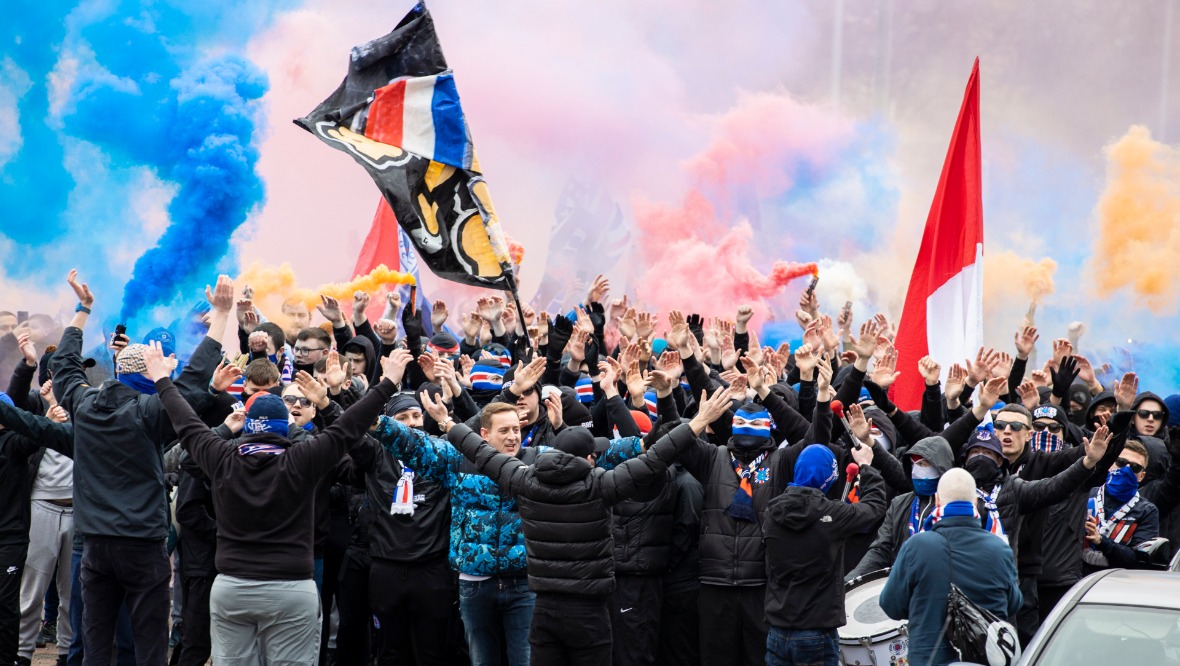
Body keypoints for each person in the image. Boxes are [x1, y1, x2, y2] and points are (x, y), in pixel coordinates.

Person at [425, 385, 736, 665]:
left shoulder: (524, 480)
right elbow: (654, 460)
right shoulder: (602, 485)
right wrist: (695, 424)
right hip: (589, 610)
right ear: (591, 457)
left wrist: (448, 423)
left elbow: (479, 451)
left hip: (543, 607)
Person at [146, 337, 406, 665]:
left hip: (232, 588)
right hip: (291, 588)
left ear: (247, 425)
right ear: (285, 428)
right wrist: (387, 384)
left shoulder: (222, 456)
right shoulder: (302, 457)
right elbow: (348, 428)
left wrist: (162, 380)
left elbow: (187, 424)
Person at [50, 270, 227, 666]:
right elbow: (194, 383)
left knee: (96, 644)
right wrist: (221, 316)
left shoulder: (82, 404)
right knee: (149, 644)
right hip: (142, 546)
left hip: (94, 545)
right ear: (149, 377)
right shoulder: (150, 411)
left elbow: (63, 365)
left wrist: (83, 310)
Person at [880, 468, 1023, 666]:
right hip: (986, 659)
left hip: (930, 660)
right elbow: (1014, 604)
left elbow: (891, 606)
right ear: (975, 503)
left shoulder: (916, 546)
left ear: (937, 501)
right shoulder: (999, 548)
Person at [762, 440, 883, 666]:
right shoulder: (833, 514)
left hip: (777, 630)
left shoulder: (771, 512)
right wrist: (866, 467)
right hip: (816, 632)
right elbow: (875, 506)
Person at [0, 392, 73, 666]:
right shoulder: (34, 407)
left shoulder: (87, 407)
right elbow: (15, 401)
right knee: (30, 592)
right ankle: (22, 653)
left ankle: (67, 653)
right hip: (41, 505)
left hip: (77, 509)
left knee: (71, 593)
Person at [846, 435, 955, 579]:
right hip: (900, 585)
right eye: (914, 464)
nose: (917, 470)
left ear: (940, 466)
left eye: (923, 464)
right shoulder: (899, 503)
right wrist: (852, 580)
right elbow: (881, 549)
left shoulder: (955, 506)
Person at [1081, 438, 1160, 574]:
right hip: (1075, 576)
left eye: (1135, 467)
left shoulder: (1147, 511)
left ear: (1142, 476)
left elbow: (1138, 559)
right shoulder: (1086, 495)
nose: (1126, 470)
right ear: (1111, 464)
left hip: (1117, 581)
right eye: (1121, 462)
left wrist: (1102, 541)